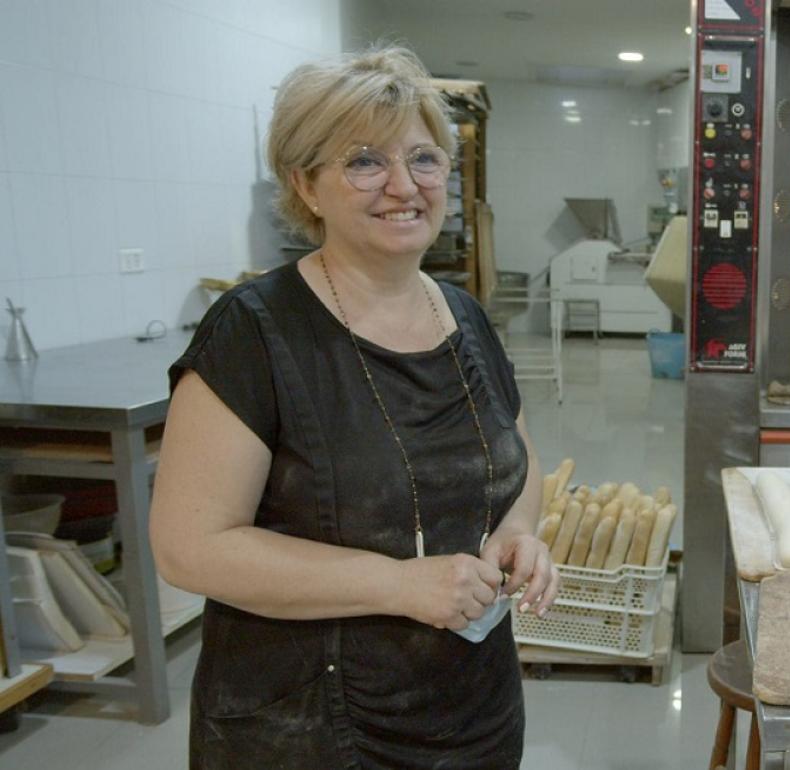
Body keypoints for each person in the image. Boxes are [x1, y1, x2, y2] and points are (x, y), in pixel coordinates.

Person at [149, 46, 559, 769]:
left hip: (471, 710)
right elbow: (189, 546)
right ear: (306, 183)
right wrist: (398, 584)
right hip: (310, 725)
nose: (404, 186)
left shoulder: (464, 317)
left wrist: (520, 533)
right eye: (365, 161)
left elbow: (514, 468)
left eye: (424, 159)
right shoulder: (255, 331)